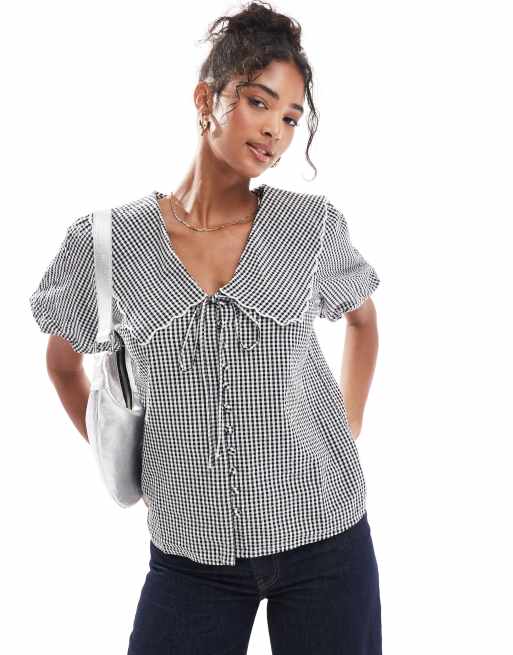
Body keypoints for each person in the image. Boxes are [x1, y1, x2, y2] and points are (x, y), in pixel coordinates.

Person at [29, 2, 383, 653]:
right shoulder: (107, 244)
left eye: (290, 118)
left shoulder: (311, 228)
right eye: (258, 102)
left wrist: (346, 426)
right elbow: (61, 362)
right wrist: (127, 462)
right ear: (206, 99)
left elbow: (362, 319)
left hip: (327, 539)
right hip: (192, 557)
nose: (275, 129)